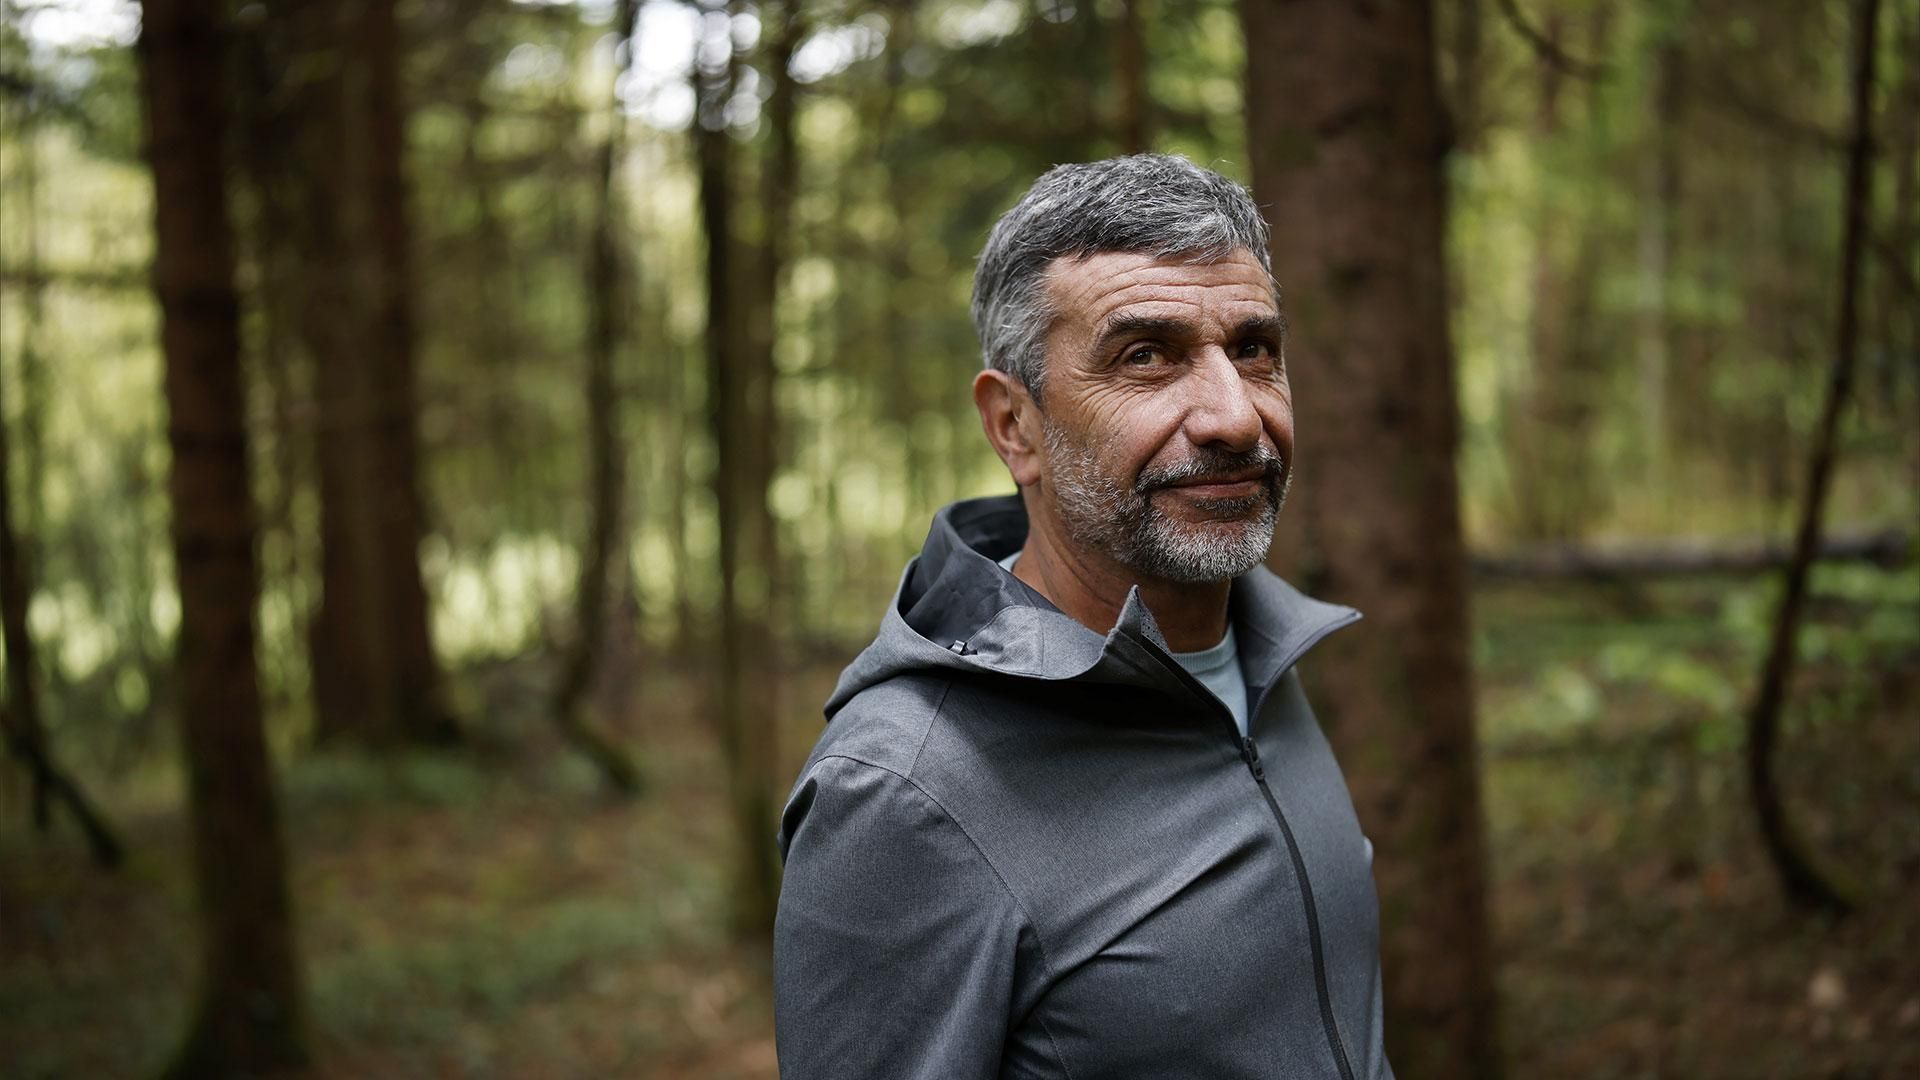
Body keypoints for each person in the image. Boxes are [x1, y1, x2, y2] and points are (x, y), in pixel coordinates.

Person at [773, 154, 1393, 1080]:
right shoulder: (905, 792)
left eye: (1255, 349)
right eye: (1145, 356)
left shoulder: (1266, 652)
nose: (1234, 415)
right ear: (1014, 426)